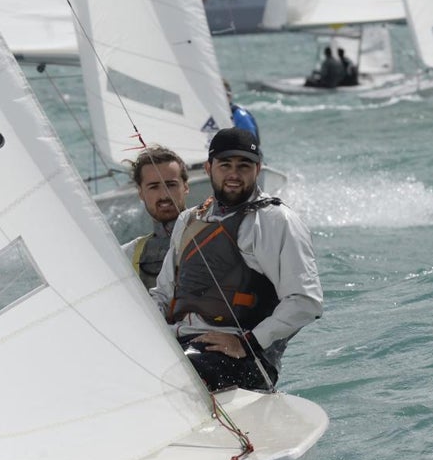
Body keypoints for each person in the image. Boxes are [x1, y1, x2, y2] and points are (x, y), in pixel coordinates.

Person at [150, 127, 322, 391]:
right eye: (225, 164)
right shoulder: (189, 220)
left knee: (178, 378)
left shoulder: (276, 221)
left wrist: (247, 343)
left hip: (244, 357)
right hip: (179, 345)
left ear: (258, 169)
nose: (234, 174)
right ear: (208, 168)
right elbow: (162, 294)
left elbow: (306, 301)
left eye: (244, 166)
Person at [122, 146, 189, 290]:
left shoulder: (213, 235)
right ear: (140, 193)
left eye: (171, 185)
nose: (164, 195)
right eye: (153, 187)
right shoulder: (126, 256)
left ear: (185, 187)